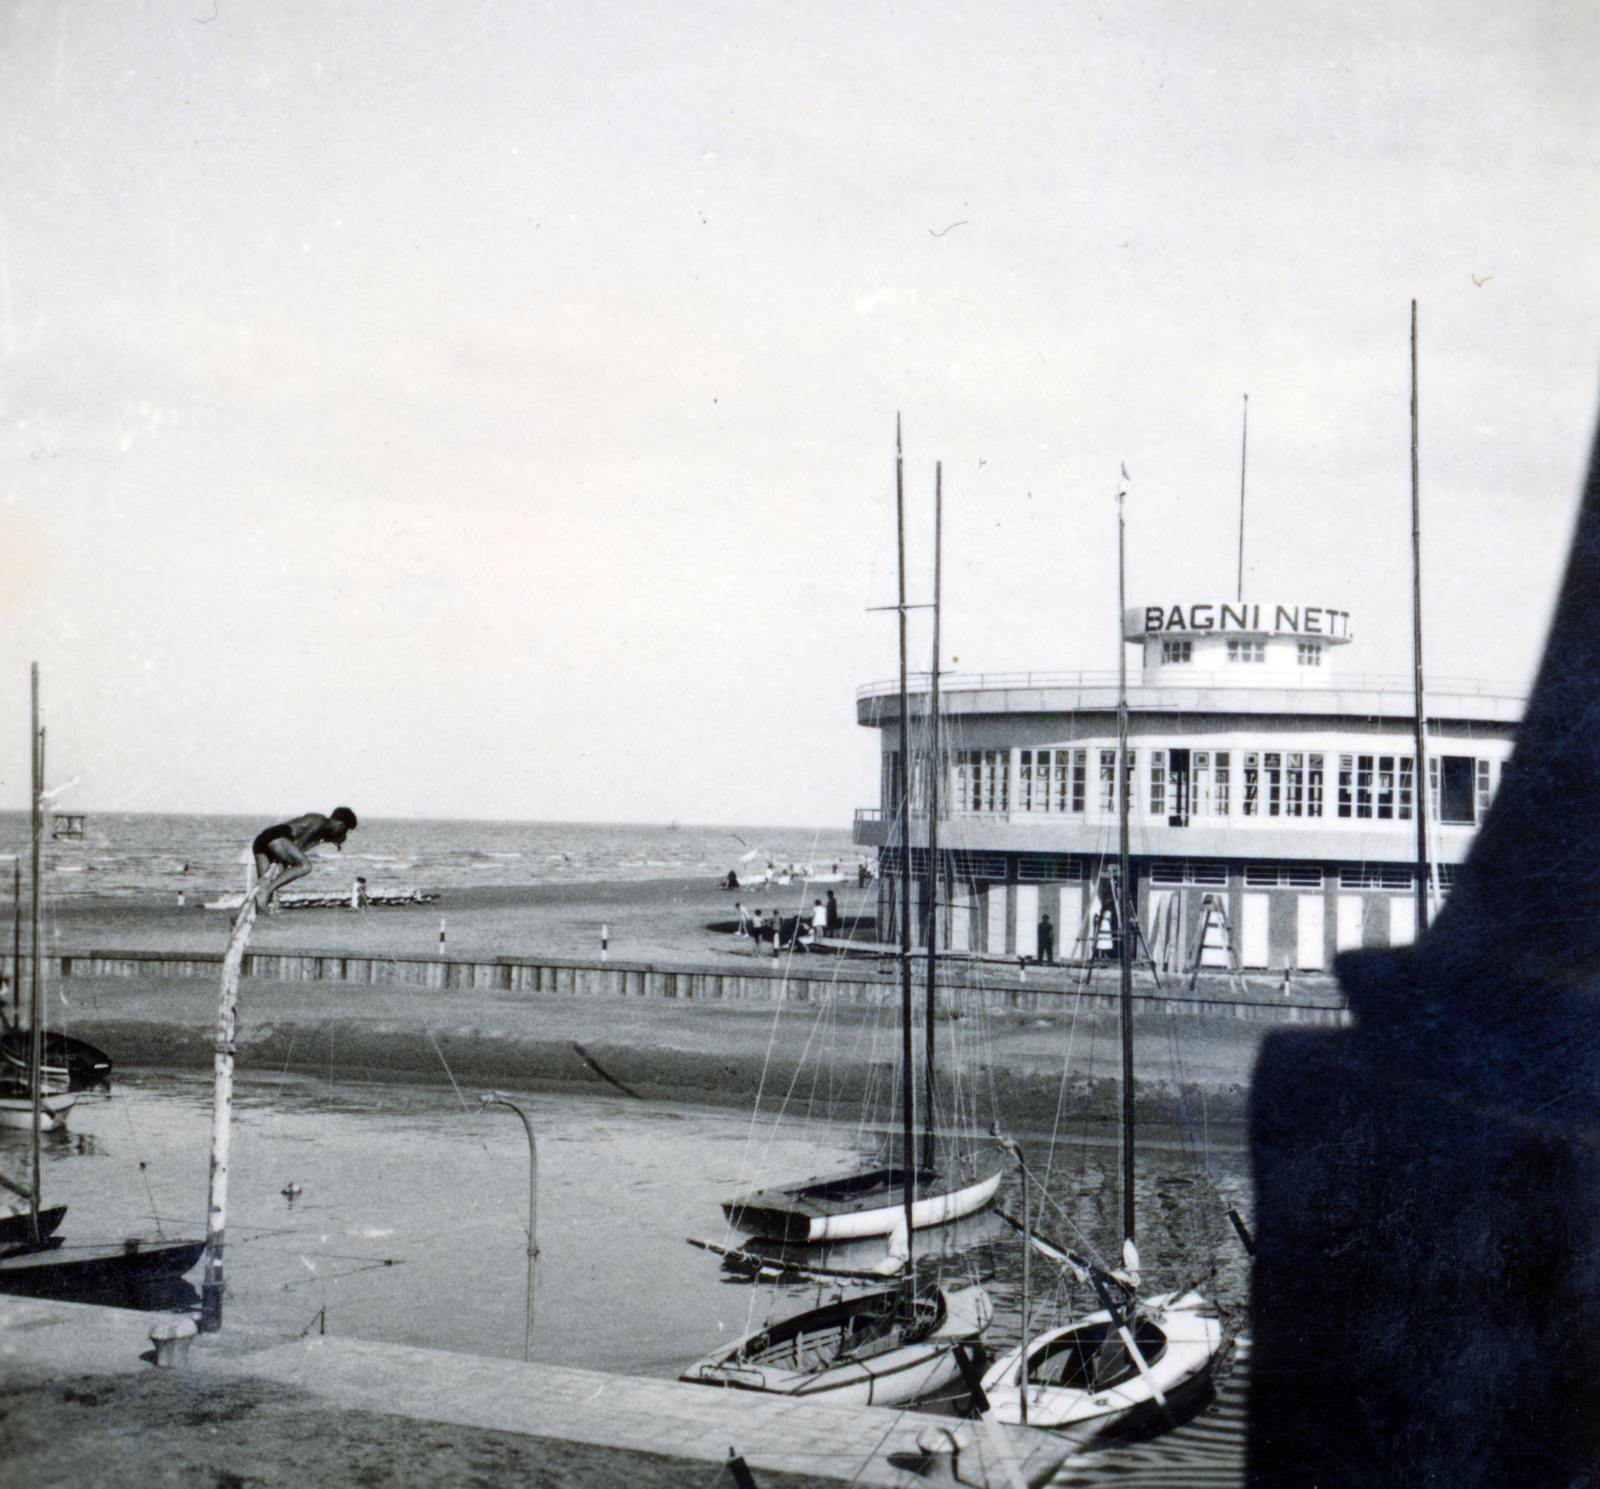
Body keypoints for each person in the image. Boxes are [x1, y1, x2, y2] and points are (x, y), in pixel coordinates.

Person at [252, 809, 358, 912]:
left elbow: (299, 849)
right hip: (277, 837)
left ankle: (261, 910)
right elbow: (299, 843)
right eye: (344, 829)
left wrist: (283, 864)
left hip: (262, 840)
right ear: (339, 823)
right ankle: (267, 890)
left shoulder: (321, 831)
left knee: (265, 882)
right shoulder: (319, 820)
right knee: (305, 866)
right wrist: (282, 863)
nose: (343, 832)